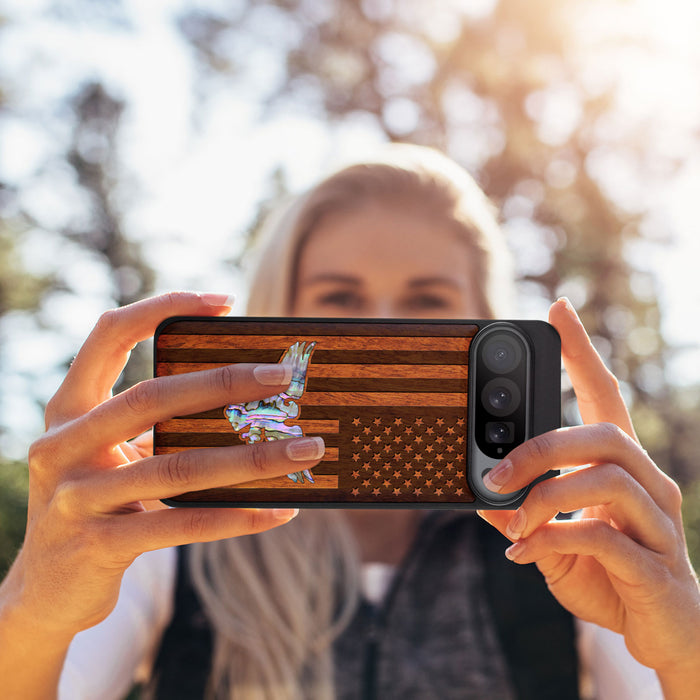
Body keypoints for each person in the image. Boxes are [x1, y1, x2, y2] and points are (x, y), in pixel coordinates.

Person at [0, 145, 698, 700]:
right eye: (340, 299)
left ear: (486, 322)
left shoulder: (567, 541)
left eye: (427, 301)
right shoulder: (171, 534)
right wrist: (34, 607)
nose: (384, 330)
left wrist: (685, 648)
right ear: (281, 317)